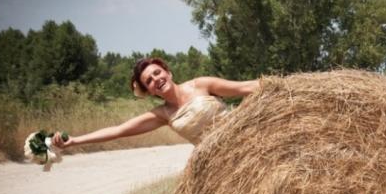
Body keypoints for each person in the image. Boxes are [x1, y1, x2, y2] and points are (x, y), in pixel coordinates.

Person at [52, 57, 260, 149]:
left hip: (246, 141)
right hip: (217, 160)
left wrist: (289, 84)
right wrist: (75, 141)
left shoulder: (201, 85)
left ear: (168, 72)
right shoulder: (162, 114)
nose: (156, 80)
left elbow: (246, 88)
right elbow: (119, 130)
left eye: (157, 73)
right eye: (149, 81)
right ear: (149, 90)